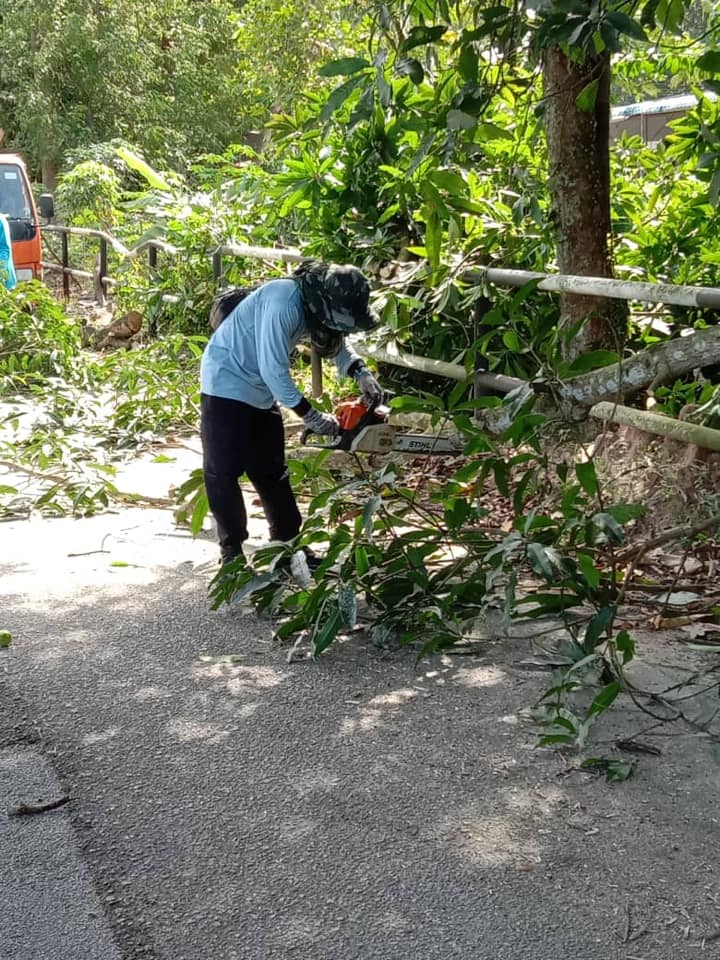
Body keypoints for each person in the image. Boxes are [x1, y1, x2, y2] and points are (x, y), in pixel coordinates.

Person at [200, 259, 383, 566]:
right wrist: (311, 415)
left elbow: (335, 341)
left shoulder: (319, 306)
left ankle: (287, 546)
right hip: (225, 382)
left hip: (260, 390)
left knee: (272, 471)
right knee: (223, 472)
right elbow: (274, 370)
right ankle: (231, 553)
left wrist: (360, 371)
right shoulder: (284, 302)